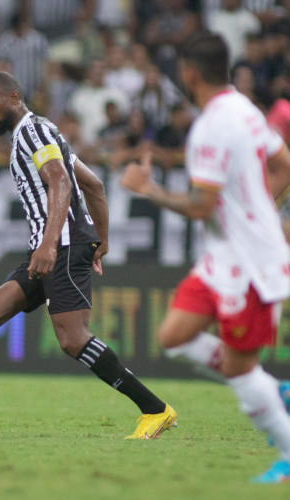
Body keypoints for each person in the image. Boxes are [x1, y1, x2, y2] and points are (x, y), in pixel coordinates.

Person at [0, 71, 177, 440]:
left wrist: (50, 243)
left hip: (59, 245)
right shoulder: (46, 132)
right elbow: (93, 184)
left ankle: (155, 410)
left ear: (14, 97)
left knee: (73, 339)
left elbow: (59, 181)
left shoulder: (32, 131)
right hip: (54, 245)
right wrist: (101, 241)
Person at [120, 32, 290, 483]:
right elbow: (284, 165)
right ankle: (276, 391)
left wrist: (147, 188)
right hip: (224, 256)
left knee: (238, 367)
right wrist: (258, 215)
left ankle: (289, 452)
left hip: (248, 264)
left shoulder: (212, 126)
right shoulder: (245, 108)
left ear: (189, 72)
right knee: (174, 335)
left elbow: (201, 206)